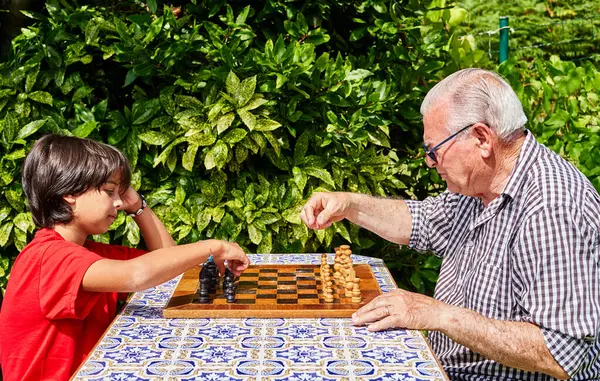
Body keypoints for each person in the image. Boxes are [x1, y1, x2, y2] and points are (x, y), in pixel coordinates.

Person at [300, 68, 600, 380]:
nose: (430, 162)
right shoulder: (479, 186)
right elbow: (423, 221)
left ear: (482, 138)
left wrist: (440, 315)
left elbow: (563, 354)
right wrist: (350, 204)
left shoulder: (551, 208)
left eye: (434, 151)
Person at [0, 134, 250, 381]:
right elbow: (137, 275)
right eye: (109, 191)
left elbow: (165, 260)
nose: (119, 202)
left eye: (120, 194)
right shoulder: (49, 257)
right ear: (70, 192)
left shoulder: (89, 252)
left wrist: (139, 206)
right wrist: (213, 246)